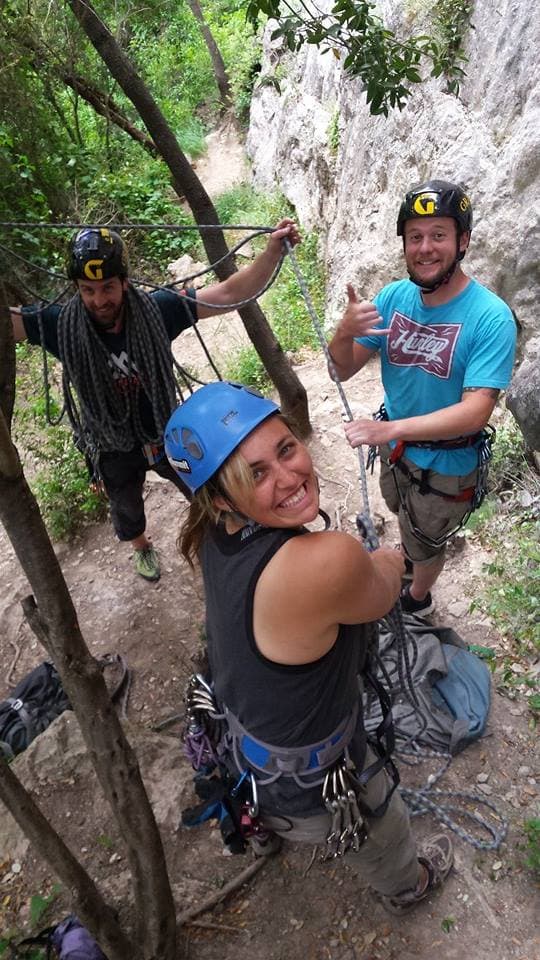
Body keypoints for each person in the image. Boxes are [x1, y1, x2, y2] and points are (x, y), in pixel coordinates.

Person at [164, 380, 454, 913]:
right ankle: (406, 885)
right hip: (315, 786)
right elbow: (381, 590)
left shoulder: (213, 534)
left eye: (286, 449)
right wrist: (384, 556)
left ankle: (263, 829)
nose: (289, 476)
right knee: (381, 828)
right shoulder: (325, 561)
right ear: (223, 497)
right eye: (256, 474)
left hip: (244, 747)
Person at [10, 220, 299, 581]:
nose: (99, 300)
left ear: (124, 282)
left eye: (108, 288)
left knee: (205, 487)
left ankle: (228, 533)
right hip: (111, 443)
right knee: (125, 505)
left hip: (164, 430)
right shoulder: (60, 324)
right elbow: (10, 324)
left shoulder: (156, 310)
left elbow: (226, 294)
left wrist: (272, 252)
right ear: (76, 288)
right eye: (87, 290)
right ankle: (141, 546)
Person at [327, 180, 517, 616]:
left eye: (438, 235)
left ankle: (417, 598)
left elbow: (475, 412)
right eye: (415, 236)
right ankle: (410, 561)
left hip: (447, 464)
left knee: (428, 541)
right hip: (397, 450)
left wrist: (391, 428)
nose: (425, 248)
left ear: (462, 241)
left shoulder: (490, 317)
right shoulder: (394, 298)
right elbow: (341, 369)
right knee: (402, 514)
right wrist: (344, 332)